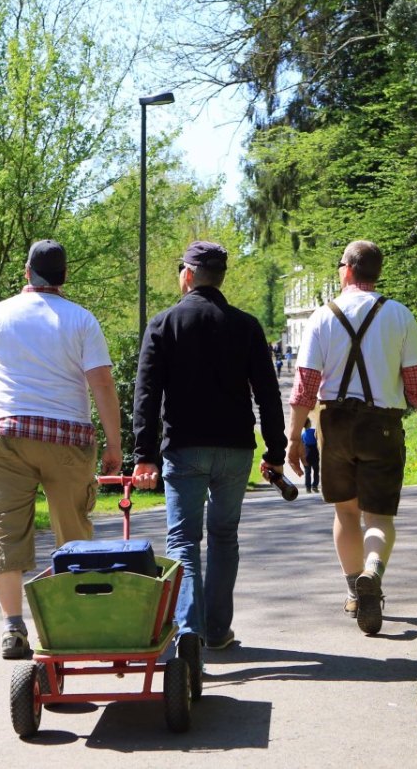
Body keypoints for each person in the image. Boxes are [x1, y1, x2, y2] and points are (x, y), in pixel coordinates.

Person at [0, 239, 122, 659]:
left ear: (26, 272)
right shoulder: (81, 320)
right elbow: (102, 383)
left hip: (7, 434)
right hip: (67, 437)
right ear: (64, 276)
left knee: (4, 527)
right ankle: (72, 623)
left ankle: (13, 626)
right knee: (72, 529)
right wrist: (114, 443)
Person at [132, 240, 287, 652]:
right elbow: (268, 395)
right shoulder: (247, 326)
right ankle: (218, 631)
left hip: (183, 448)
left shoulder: (163, 324)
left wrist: (143, 455)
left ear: (187, 275)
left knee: (182, 540)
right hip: (236, 448)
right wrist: (276, 451)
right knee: (224, 537)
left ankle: (189, 633)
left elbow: (146, 394)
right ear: (220, 278)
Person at [286, 240, 417, 635]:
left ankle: (356, 589)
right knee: (379, 516)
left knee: (346, 513)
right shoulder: (399, 315)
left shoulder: (323, 316)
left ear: (349, 270)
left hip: (334, 424)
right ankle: (374, 572)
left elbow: (306, 383)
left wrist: (292, 436)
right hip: (383, 425)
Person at [301, 418, 320, 493]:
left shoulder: (303, 435)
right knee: (316, 471)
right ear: (309, 423)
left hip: (306, 454)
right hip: (315, 453)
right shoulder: (314, 431)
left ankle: (308, 488)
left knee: (307, 472)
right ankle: (315, 486)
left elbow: (301, 445)